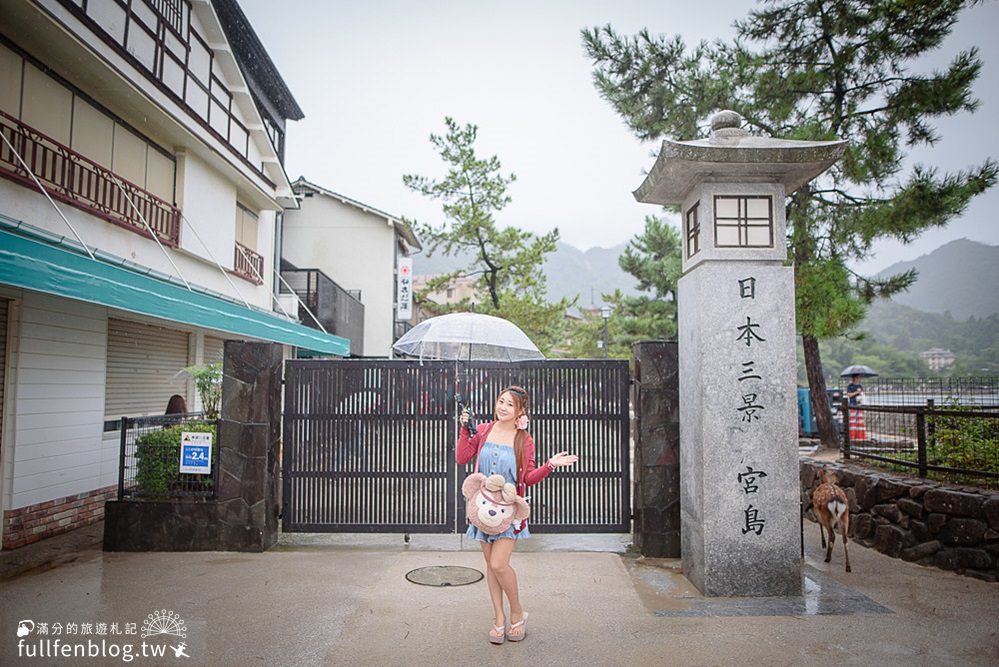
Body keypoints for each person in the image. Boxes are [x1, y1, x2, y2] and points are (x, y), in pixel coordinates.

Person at [456, 385, 578, 645]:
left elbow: (528, 478)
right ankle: (499, 618)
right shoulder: (484, 430)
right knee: (490, 566)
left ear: (520, 410)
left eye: (510, 404)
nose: (502, 407)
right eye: (500, 401)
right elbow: (462, 457)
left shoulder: (524, 439)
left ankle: (518, 612)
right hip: (482, 507)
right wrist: (465, 429)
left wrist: (550, 465)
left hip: (508, 512)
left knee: (499, 564)